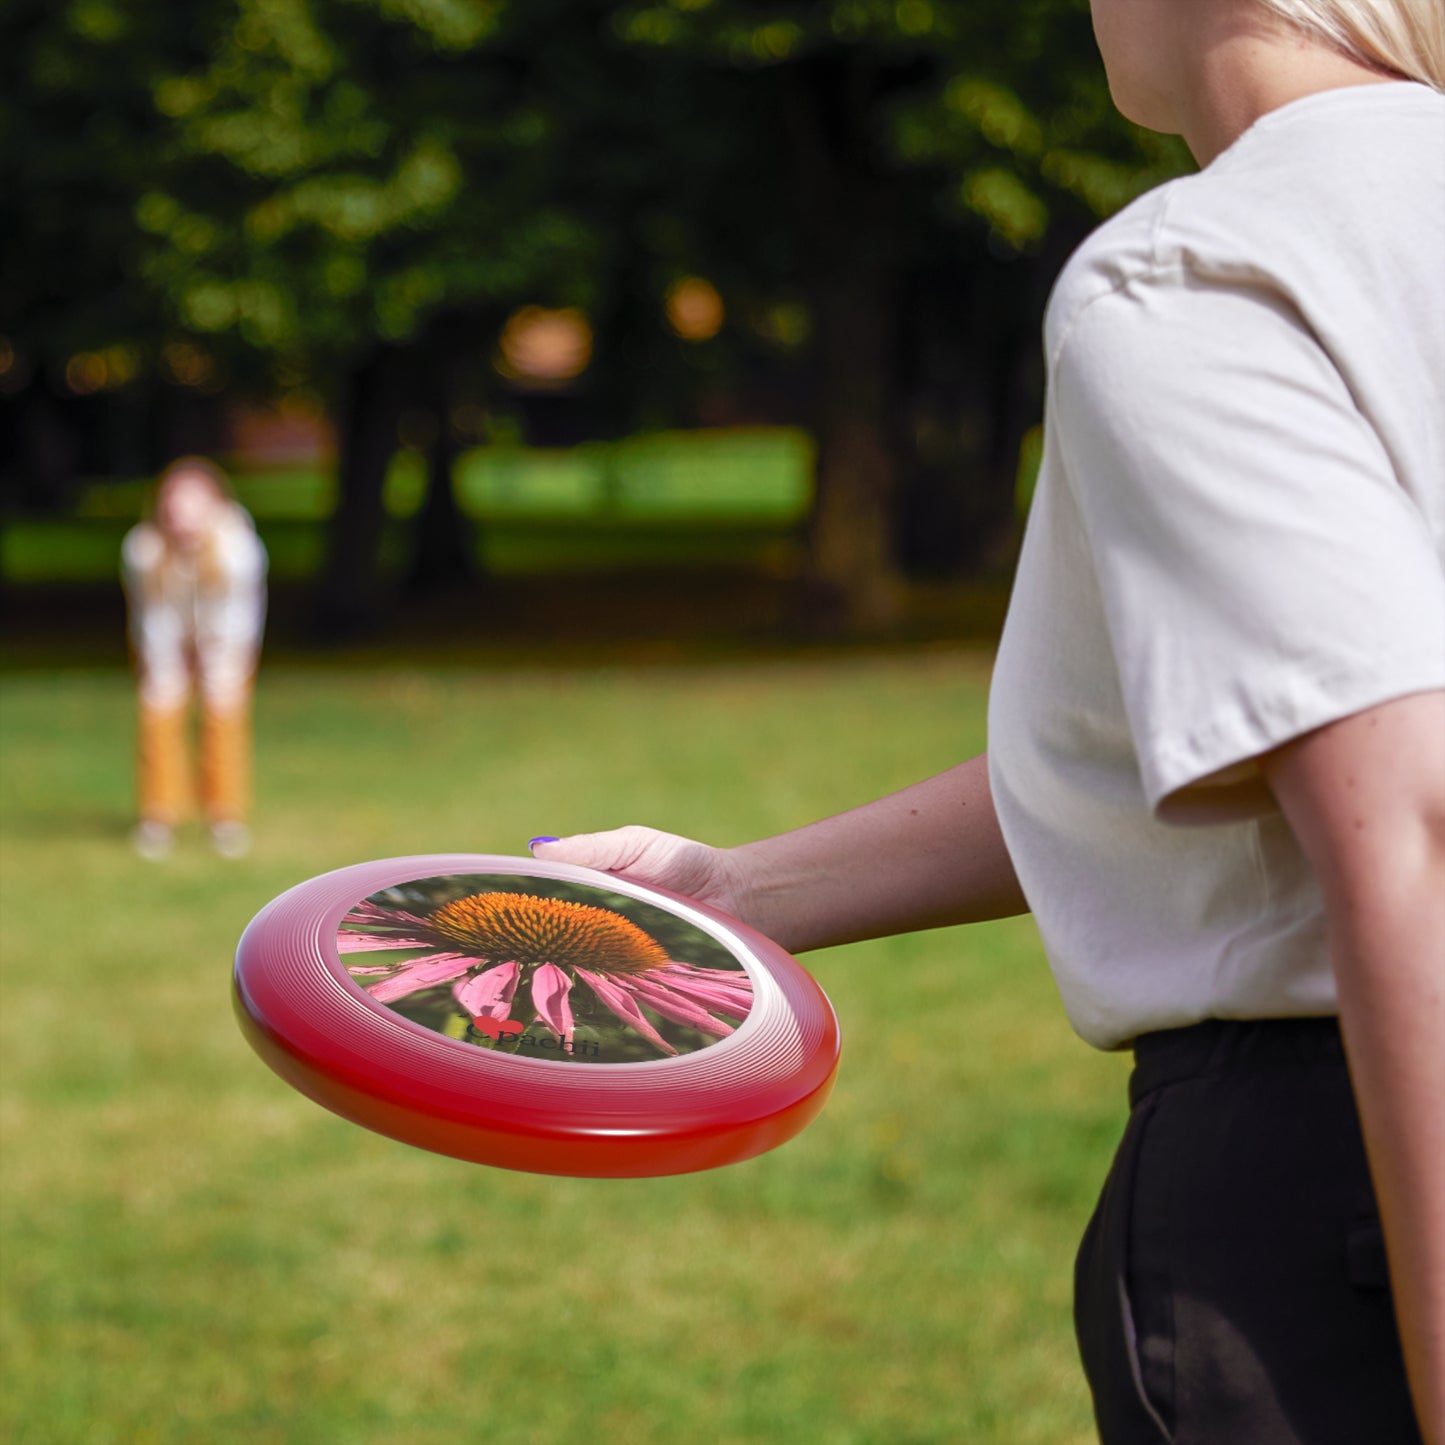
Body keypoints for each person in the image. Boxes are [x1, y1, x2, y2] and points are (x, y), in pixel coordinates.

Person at [529, 2, 1445, 1441]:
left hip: (1341, 1192)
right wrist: (736, 891)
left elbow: (1408, 821)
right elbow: (1218, 742)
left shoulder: (1203, 270)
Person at [121, 457, 268, 859]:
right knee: (158, 712)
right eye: (174, 506)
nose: (182, 517)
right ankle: (158, 816)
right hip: (165, 640)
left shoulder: (239, 548)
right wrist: (168, 664)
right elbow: (152, 615)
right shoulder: (143, 549)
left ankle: (225, 817)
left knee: (223, 717)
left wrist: (214, 659)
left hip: (226, 641)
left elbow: (239, 616)